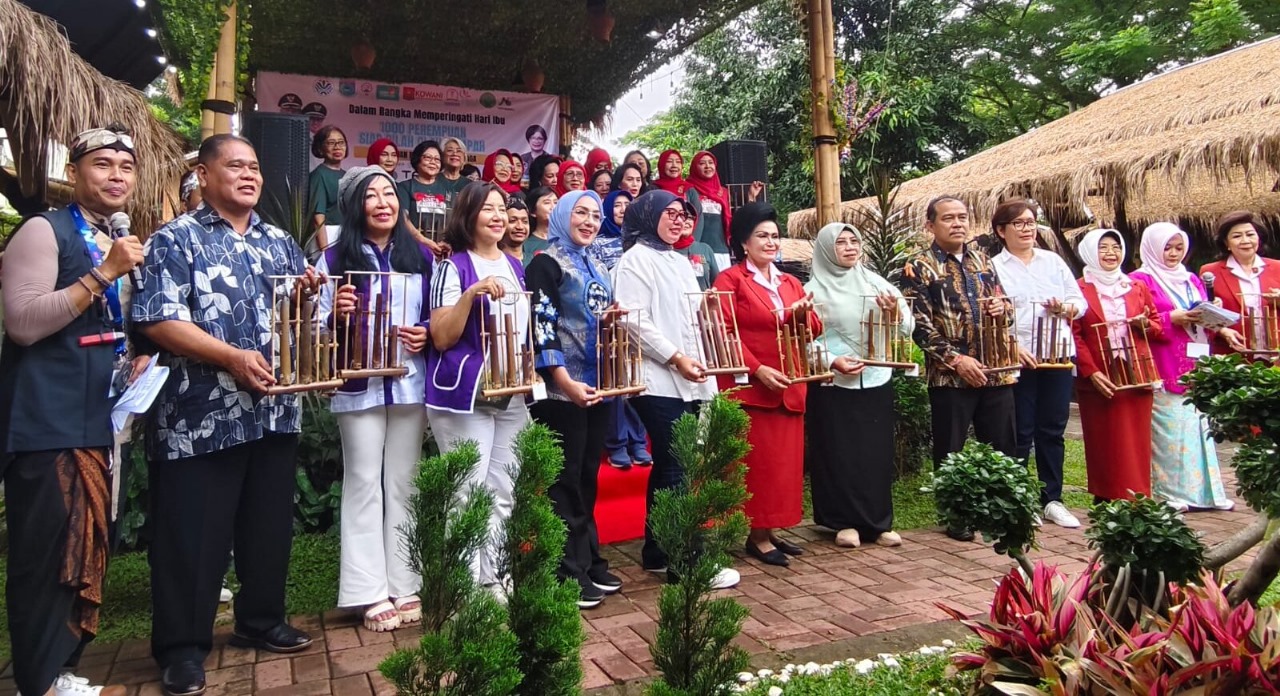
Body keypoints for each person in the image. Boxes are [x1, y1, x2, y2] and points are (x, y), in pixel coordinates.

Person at [133, 135, 319, 695]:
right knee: (193, 534)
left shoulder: (281, 242)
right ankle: (183, 648)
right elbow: (157, 320)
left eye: (255, 167)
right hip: (199, 415)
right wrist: (232, 358)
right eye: (234, 165)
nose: (249, 175)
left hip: (272, 409)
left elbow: (296, 318)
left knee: (267, 526)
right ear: (204, 176)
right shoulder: (174, 239)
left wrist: (313, 300)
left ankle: (260, 621)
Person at [0, 125, 147, 696]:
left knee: (88, 547)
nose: (116, 176)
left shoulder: (115, 237)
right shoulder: (45, 230)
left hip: (103, 418)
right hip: (47, 421)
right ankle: (38, 677)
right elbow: (24, 322)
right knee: (47, 553)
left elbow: (111, 323)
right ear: (75, 170)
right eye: (103, 164)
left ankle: (62, 666)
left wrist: (136, 356)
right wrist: (103, 272)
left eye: (125, 167)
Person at [316, 166, 434, 633]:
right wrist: (334, 314)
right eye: (372, 195)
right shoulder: (332, 259)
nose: (384, 202)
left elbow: (436, 315)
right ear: (354, 206)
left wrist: (425, 332)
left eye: (390, 193)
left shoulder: (420, 258)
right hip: (357, 383)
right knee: (363, 479)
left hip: (409, 382)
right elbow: (309, 326)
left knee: (406, 479)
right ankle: (367, 589)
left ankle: (405, 582)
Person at [613, 191, 738, 590]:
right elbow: (633, 322)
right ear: (648, 216)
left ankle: (657, 551)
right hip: (658, 379)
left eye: (683, 215)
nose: (678, 221)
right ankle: (686, 560)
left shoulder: (680, 260)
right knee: (677, 466)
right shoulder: (634, 261)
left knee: (674, 466)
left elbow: (690, 316)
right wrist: (674, 357)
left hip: (690, 376)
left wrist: (709, 310)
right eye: (669, 214)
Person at [426, 181, 533, 594]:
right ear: (467, 215)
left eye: (502, 207)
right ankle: (463, 589)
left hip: (511, 392)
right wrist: (471, 294)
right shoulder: (452, 267)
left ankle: (495, 580)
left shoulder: (514, 264)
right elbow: (441, 336)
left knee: (503, 488)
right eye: (487, 207)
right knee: (467, 493)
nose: (497, 215)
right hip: (465, 395)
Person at [526, 189, 624, 609]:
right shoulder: (545, 263)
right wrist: (564, 382)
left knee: (587, 476)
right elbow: (541, 325)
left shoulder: (597, 263)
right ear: (562, 216)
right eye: (580, 213)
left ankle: (588, 559)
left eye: (596, 214)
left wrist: (614, 317)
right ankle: (566, 571)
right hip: (559, 390)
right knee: (564, 482)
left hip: (596, 385)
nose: (589, 220)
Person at [899, 196, 1017, 542]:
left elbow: (1007, 309)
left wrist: (1001, 308)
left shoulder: (984, 260)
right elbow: (918, 325)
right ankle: (957, 515)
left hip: (995, 368)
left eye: (962, 217)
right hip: (950, 375)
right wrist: (956, 360)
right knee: (950, 449)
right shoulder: (917, 267)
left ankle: (1003, 512)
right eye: (948, 218)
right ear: (930, 226)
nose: (957, 224)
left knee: (1002, 446)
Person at [712, 203, 814, 566]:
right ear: (744, 243)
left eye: (774, 236)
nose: (770, 242)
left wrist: (804, 316)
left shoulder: (790, 281)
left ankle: (771, 529)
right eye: (762, 236)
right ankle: (756, 535)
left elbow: (812, 328)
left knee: (784, 466)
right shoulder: (729, 280)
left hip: (789, 383)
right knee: (759, 465)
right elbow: (723, 331)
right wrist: (755, 369)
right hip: (755, 387)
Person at [805, 223, 913, 548]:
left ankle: (879, 522)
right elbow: (801, 339)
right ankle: (842, 522)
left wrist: (895, 314)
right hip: (834, 381)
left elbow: (907, 326)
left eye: (854, 241)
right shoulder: (811, 290)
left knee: (875, 451)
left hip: (876, 377)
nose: (850, 247)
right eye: (841, 243)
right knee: (840, 451)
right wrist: (831, 361)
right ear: (826, 249)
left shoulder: (875, 282)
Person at [989, 199, 1085, 529]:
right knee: (1020, 430)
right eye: (1019, 224)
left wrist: (1065, 308)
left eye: (1031, 222)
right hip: (1019, 356)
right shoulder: (993, 268)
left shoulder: (1053, 262)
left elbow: (1079, 303)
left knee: (1052, 428)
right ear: (1001, 231)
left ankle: (1052, 499)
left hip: (1057, 355)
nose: (1027, 229)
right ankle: (1021, 499)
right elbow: (991, 314)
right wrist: (1012, 346)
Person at [1131, 222, 1233, 511]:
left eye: (1179, 248)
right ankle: (1170, 492)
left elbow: (1198, 310)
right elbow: (1135, 321)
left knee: (1199, 425)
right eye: (1167, 247)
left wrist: (1214, 316)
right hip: (1163, 361)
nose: (1173, 253)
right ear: (1152, 247)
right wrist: (1168, 319)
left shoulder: (1190, 278)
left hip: (1195, 358)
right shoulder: (1140, 280)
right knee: (1170, 427)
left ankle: (1206, 492)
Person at [1071, 229, 1163, 502]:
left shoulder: (1135, 286)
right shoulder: (1077, 288)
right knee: (1105, 437)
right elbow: (1073, 333)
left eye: (1115, 247)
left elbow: (1157, 325)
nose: (1111, 254)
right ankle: (1106, 494)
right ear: (1089, 252)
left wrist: (1145, 324)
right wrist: (1092, 371)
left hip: (1136, 370)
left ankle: (1138, 495)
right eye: (1103, 248)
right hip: (1100, 373)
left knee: (1136, 439)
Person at [1198, 211, 1280, 355]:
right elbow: (1202, 312)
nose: (1245, 240)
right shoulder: (1210, 272)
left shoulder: (1277, 268)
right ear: (1226, 243)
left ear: (1258, 238)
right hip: (1233, 354)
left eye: (1250, 234)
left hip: (1275, 353)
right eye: (1237, 236)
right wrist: (1222, 330)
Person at [397, 140, 452, 252]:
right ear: (418, 160)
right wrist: (422, 240)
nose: (433, 162)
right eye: (428, 158)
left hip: (442, 250)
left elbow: (455, 219)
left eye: (437, 159)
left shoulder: (448, 189)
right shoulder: (404, 187)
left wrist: (447, 242)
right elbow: (403, 218)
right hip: (412, 248)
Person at [686, 151, 734, 271]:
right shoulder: (689, 190)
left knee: (722, 288)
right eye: (702, 163)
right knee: (702, 287)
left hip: (721, 249)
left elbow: (727, 219)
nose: (708, 166)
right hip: (698, 248)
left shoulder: (723, 192)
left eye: (711, 163)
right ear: (694, 167)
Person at [308, 125, 347, 249]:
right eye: (331, 143)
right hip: (328, 237)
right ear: (320, 148)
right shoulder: (319, 175)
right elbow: (318, 218)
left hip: (346, 235)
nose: (337, 147)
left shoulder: (347, 175)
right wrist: (325, 252)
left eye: (341, 142)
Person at [675, 211, 719, 291]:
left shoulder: (705, 249)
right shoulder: (665, 250)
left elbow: (717, 283)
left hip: (703, 302)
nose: (687, 221)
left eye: (691, 218)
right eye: (683, 216)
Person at [522, 186, 557, 265]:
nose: (553, 207)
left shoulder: (565, 239)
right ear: (533, 212)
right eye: (547, 203)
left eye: (556, 202)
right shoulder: (526, 244)